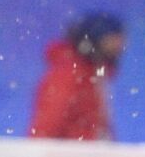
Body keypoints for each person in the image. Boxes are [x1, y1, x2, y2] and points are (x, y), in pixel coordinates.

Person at [28, 12, 125, 140]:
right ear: (94, 41)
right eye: (111, 43)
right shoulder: (69, 75)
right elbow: (48, 123)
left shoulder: (93, 75)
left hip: (85, 155)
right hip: (71, 156)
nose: (118, 50)